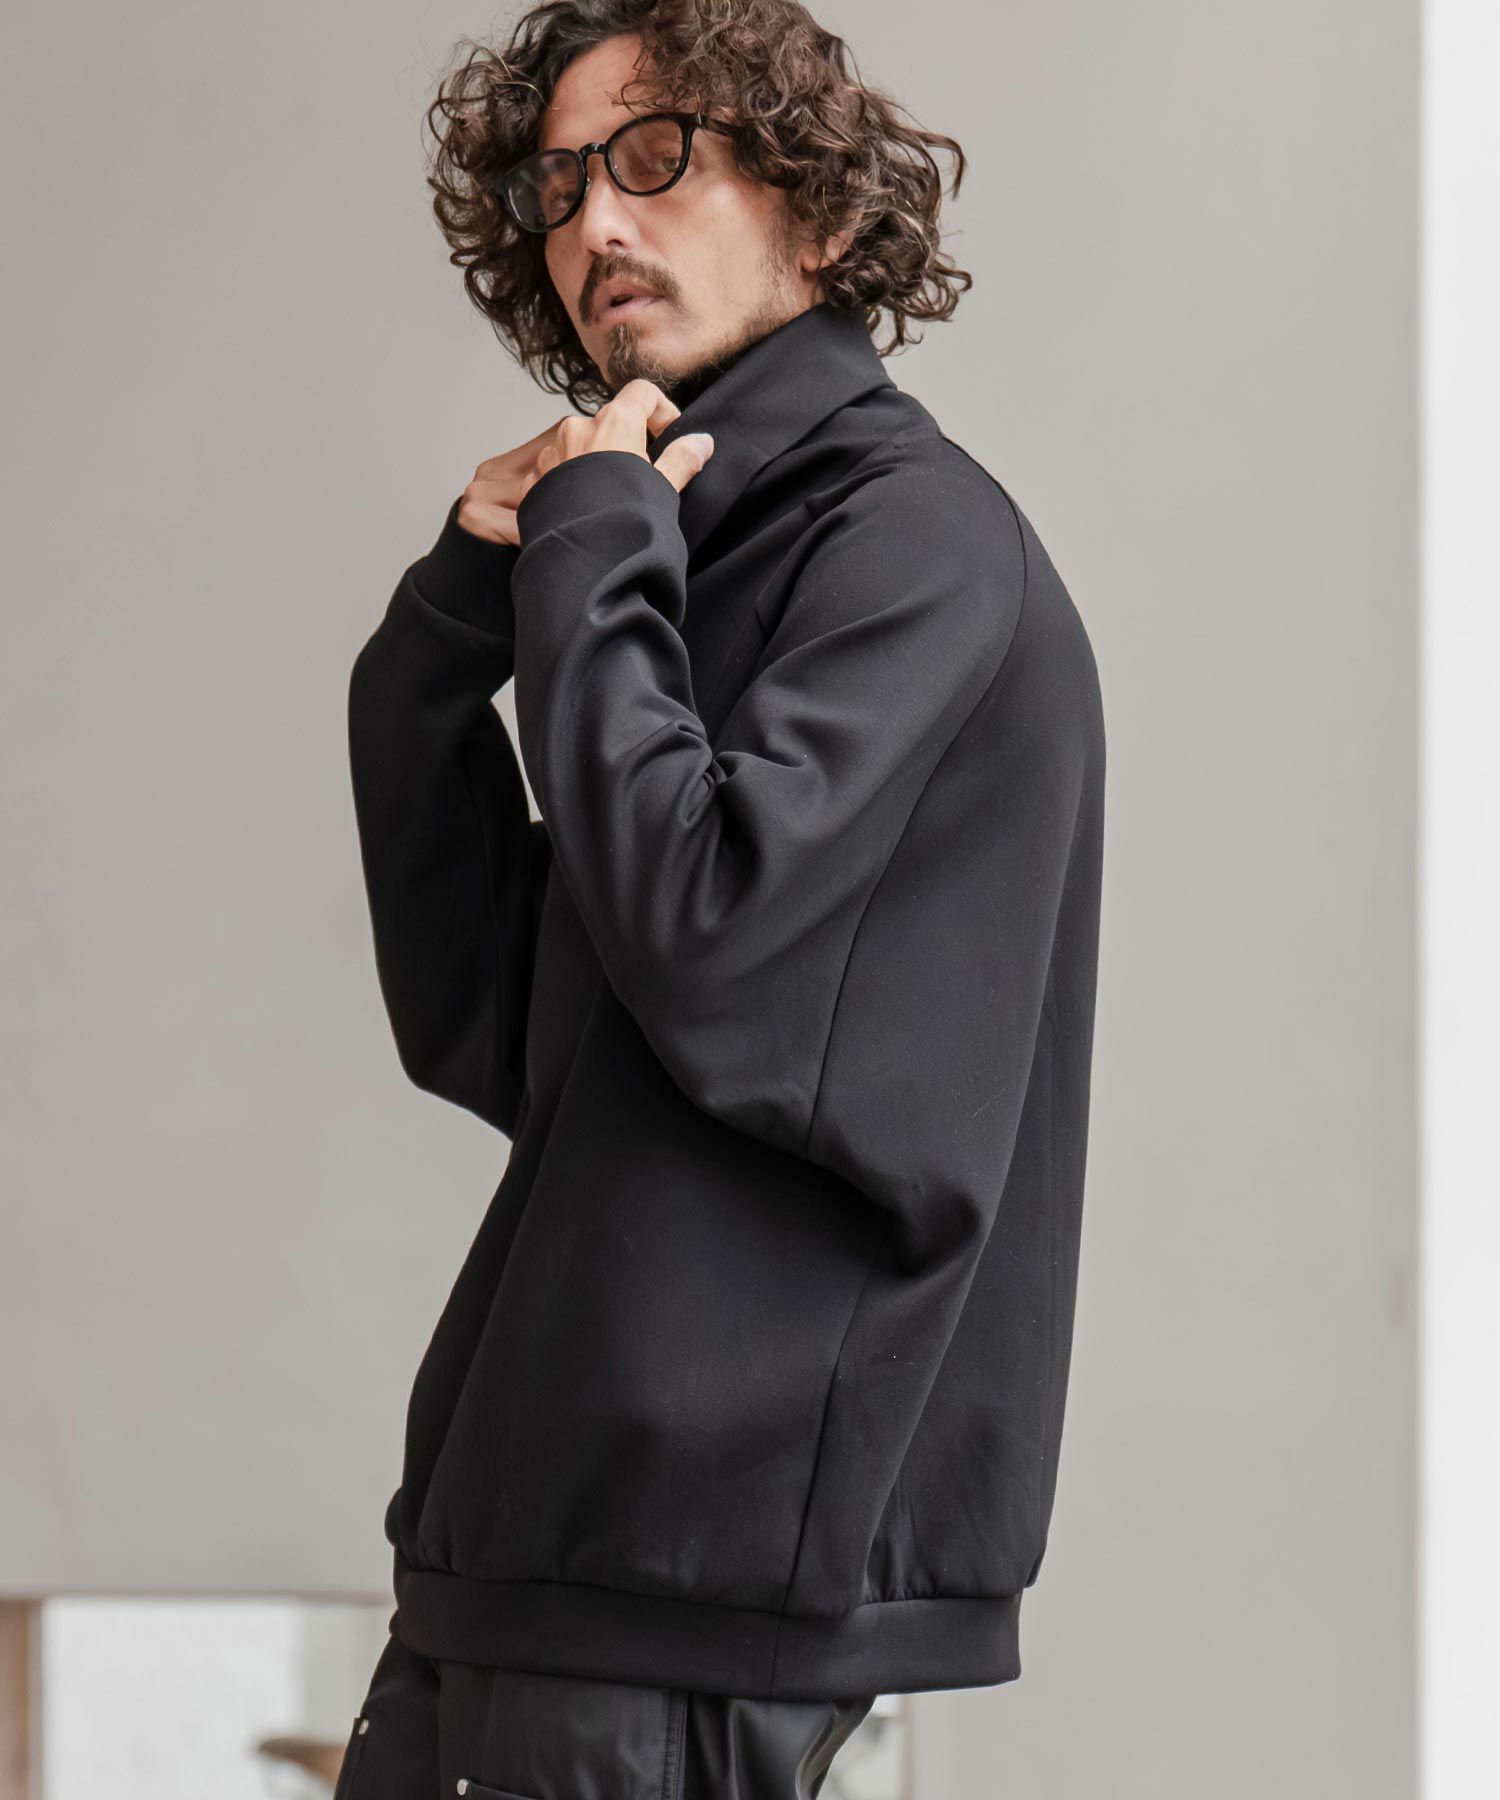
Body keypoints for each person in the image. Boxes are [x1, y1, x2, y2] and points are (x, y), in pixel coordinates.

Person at [343, 2, 1106, 1795]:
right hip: (533, 1552)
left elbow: (701, 935)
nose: (595, 224)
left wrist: (600, 545)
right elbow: (498, 1027)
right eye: (556, 187)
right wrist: (450, 625)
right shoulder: (687, 529)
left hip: (690, 1574)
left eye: (655, 157)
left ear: (822, 210)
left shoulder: (911, 542)